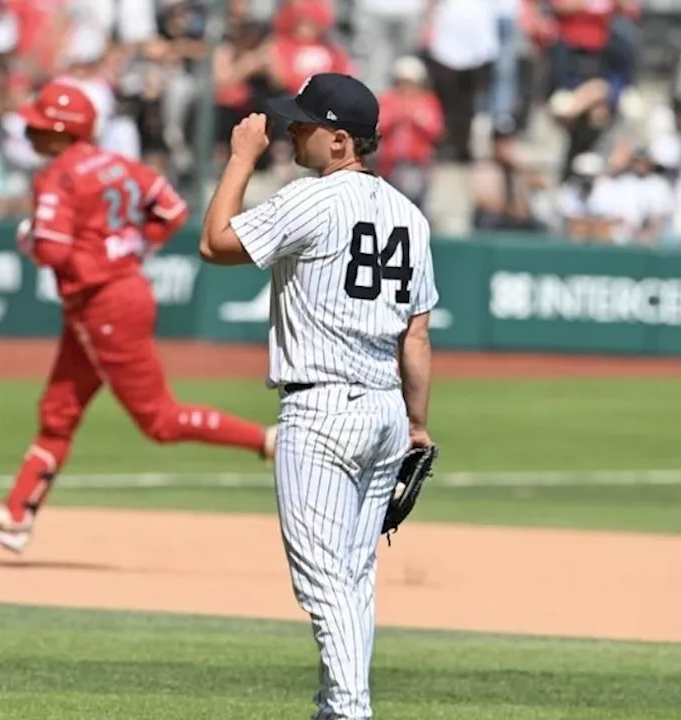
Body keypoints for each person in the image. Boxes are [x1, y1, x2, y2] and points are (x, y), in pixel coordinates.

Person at [197, 72, 437, 720]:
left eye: (303, 124)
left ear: (340, 141)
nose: (290, 131)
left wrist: (240, 160)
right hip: (385, 409)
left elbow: (214, 242)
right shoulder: (410, 217)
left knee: (323, 582)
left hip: (322, 409)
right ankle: (336, 710)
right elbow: (416, 333)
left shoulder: (316, 199)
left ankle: (351, 712)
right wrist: (417, 424)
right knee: (354, 581)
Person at [0, 80, 276, 553]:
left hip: (101, 303)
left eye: (40, 125)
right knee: (58, 414)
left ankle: (268, 441)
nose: (31, 131)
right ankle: (17, 515)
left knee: (160, 420)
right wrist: (133, 246)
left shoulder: (59, 175)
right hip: (117, 295)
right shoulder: (121, 164)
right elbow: (172, 208)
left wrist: (29, 238)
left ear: (62, 131)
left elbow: (51, 249)